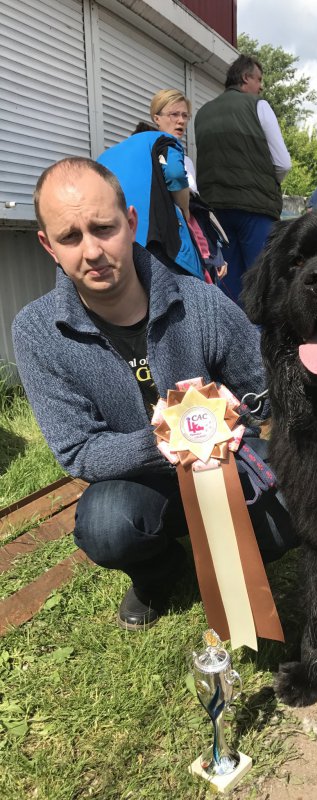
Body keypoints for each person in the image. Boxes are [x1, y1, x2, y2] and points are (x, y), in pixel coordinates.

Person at [12, 158, 297, 631]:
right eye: (70, 237)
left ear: (130, 222)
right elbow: (78, 450)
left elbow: (264, 386)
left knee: (295, 506)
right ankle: (160, 573)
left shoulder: (199, 299)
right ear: (48, 245)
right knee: (105, 527)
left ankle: (239, 553)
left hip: (224, 465)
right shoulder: (38, 331)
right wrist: (169, 439)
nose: (91, 251)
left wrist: (237, 412)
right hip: (134, 481)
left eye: (103, 228)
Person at [194, 54, 292, 305]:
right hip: (255, 208)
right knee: (262, 281)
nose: (260, 86)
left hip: (215, 210)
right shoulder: (258, 105)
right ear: (245, 77)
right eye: (258, 79)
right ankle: (259, 341)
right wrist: (269, 182)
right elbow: (283, 163)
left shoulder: (203, 113)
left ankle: (231, 340)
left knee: (229, 281)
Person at [97, 128, 204, 279]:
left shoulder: (103, 158)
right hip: (155, 241)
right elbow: (175, 173)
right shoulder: (162, 139)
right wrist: (185, 209)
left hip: (112, 244)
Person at [150, 89, 228, 283]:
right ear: (156, 118)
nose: (181, 121)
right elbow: (186, 210)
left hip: (192, 244)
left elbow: (197, 215)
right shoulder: (152, 155)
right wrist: (184, 208)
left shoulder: (185, 160)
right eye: (174, 114)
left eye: (185, 115)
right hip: (168, 246)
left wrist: (215, 253)